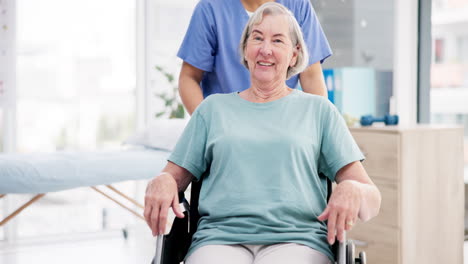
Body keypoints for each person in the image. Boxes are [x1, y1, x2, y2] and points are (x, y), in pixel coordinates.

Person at [145, 3, 381, 264]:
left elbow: (373, 199)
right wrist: (163, 181)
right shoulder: (212, 110)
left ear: (295, 54)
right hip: (219, 239)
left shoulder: (319, 112)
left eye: (278, 40)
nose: (265, 49)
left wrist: (353, 190)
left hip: (298, 240)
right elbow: (172, 177)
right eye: (257, 38)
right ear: (245, 49)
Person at [177, 0, 332, 114]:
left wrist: (319, 128)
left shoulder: (298, 5)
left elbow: (311, 76)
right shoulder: (211, 8)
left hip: (284, 123)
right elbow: (189, 78)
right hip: (226, 125)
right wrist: (208, 126)